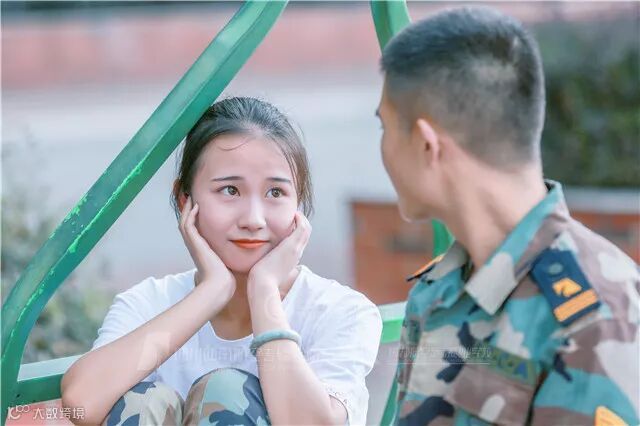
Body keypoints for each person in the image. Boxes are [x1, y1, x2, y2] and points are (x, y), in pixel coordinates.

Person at [375, 6, 639, 425]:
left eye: (385, 128)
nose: (383, 150)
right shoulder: (438, 288)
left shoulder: (597, 318)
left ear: (427, 145)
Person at [61, 97, 382, 426]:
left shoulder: (340, 311)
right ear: (185, 200)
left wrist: (264, 291)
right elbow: (82, 401)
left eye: (275, 193)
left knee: (227, 392)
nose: (253, 219)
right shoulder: (148, 303)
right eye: (230, 190)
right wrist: (212, 291)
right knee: (142, 403)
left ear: (298, 205)